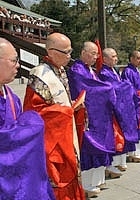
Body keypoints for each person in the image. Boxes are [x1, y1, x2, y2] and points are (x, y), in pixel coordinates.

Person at [23, 33, 85, 199]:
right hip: (52, 142)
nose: (69, 56)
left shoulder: (61, 70)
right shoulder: (39, 75)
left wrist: (74, 106)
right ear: (50, 52)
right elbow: (34, 114)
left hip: (65, 134)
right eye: (66, 52)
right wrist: (65, 112)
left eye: (70, 51)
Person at [0, 38, 55, 199]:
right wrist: (32, 123)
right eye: (13, 60)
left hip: (14, 175)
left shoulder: (11, 96)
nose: (18, 65)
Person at [67, 41, 115, 197]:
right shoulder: (77, 70)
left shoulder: (90, 70)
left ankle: (97, 180)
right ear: (82, 53)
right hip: (88, 116)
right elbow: (88, 89)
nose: (96, 57)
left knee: (100, 145)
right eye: (93, 53)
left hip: (99, 115)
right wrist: (108, 89)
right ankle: (87, 184)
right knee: (89, 147)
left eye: (97, 54)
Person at [98, 48, 140, 168]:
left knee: (123, 133)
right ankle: (114, 165)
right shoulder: (104, 73)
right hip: (113, 109)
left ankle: (121, 162)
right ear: (105, 59)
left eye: (116, 56)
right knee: (117, 135)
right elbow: (114, 88)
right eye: (113, 56)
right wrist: (128, 86)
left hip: (122, 106)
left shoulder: (113, 70)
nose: (116, 59)